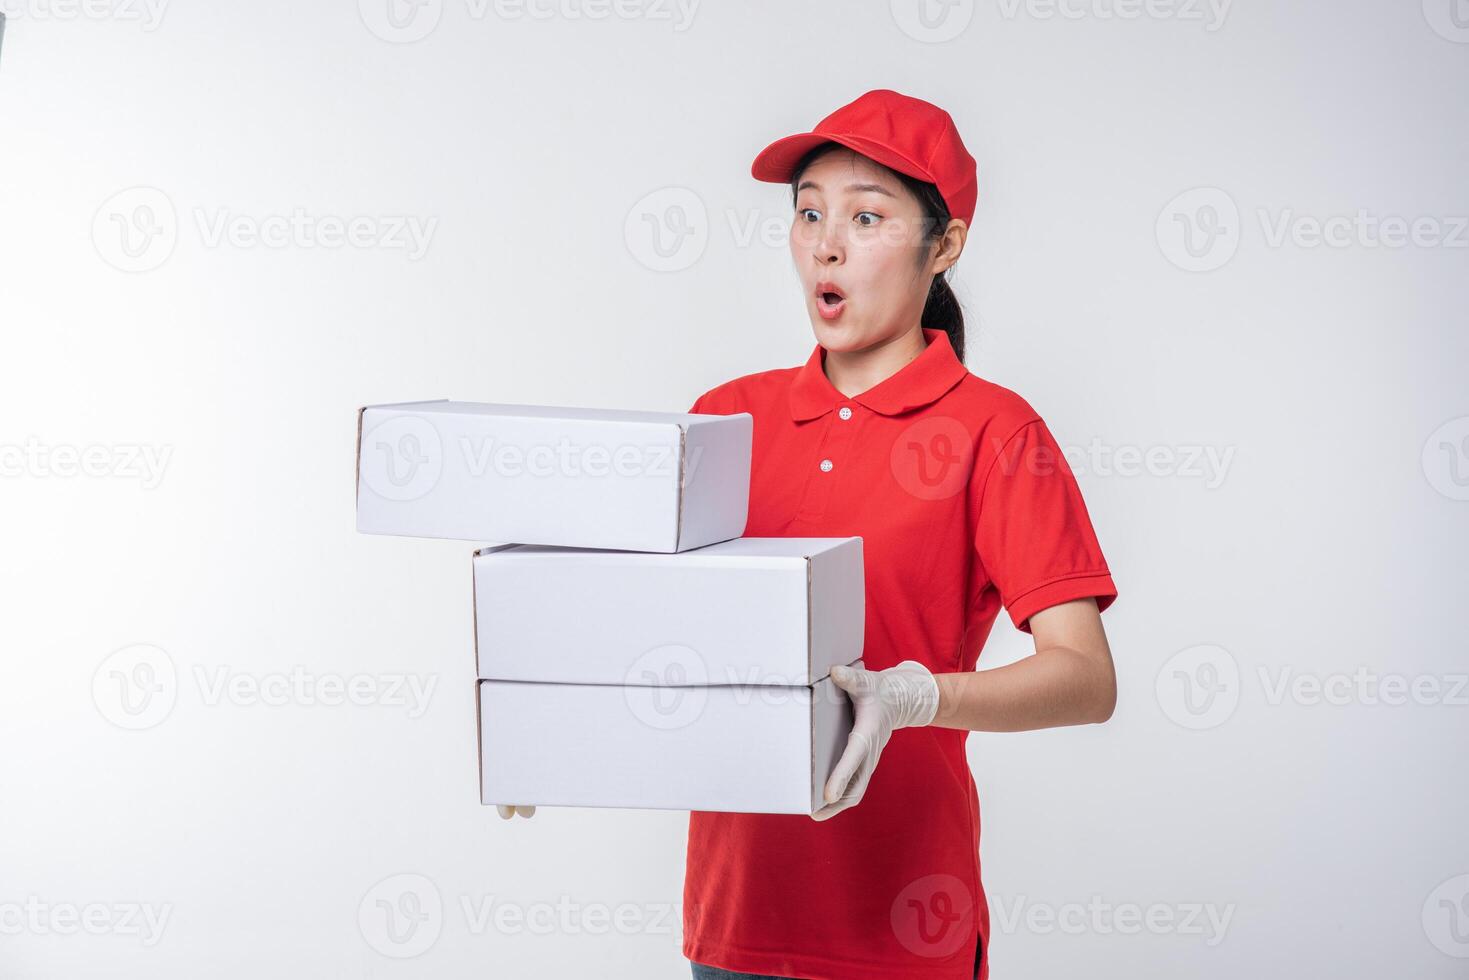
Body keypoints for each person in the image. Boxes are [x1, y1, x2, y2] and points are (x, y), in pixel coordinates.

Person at [502, 89, 1120, 980]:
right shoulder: (725, 419)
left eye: (866, 217)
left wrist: (919, 698)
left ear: (940, 247)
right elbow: (646, 627)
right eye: (808, 215)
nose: (826, 244)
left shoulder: (995, 432)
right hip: (734, 922)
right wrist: (552, 731)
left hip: (904, 931)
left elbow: (1085, 678)